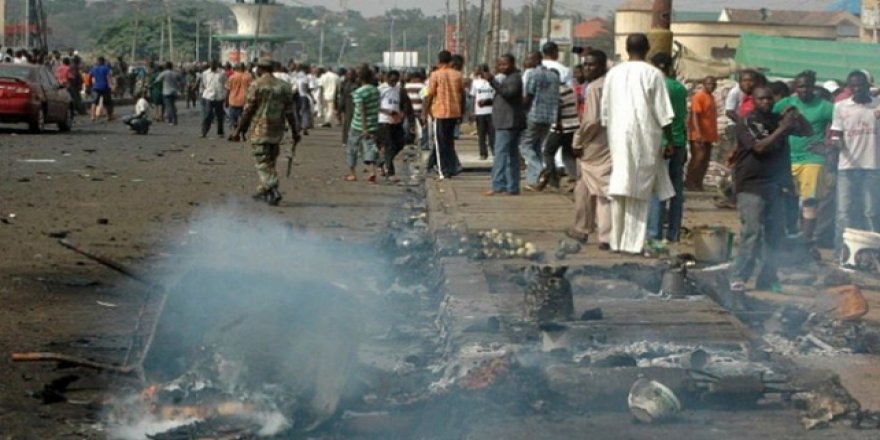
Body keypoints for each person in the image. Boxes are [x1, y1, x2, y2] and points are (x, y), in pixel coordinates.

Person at [730, 85, 811, 293]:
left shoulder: (776, 119)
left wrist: (796, 116)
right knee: (753, 232)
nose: (766, 102)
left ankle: (768, 277)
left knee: (775, 235)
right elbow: (760, 147)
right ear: (753, 100)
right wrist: (783, 128)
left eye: (769, 99)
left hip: (776, 184)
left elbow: (807, 132)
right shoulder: (747, 121)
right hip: (751, 183)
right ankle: (739, 276)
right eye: (761, 99)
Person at [600, 33, 675, 254]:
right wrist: (668, 139)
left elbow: (605, 111)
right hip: (645, 137)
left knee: (622, 186)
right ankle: (634, 243)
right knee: (640, 190)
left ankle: (617, 241)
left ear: (625, 48)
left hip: (618, 137)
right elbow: (664, 113)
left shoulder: (613, 73)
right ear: (648, 48)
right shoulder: (654, 74)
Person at [771, 70, 834, 247]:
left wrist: (828, 146)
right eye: (800, 86)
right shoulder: (786, 103)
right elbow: (769, 119)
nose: (804, 90)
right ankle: (788, 236)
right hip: (787, 158)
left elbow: (842, 125)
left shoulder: (825, 106)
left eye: (807, 86)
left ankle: (806, 242)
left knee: (809, 201)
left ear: (814, 86)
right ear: (795, 87)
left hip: (812, 159)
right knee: (787, 199)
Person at [233, 58, 300, 206]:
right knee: (270, 160)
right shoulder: (284, 86)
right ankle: (263, 191)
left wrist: (238, 130)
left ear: (260, 69)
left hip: (260, 129)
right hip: (277, 130)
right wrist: (295, 131)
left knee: (262, 161)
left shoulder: (256, 85)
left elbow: (248, 110)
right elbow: (290, 112)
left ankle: (273, 187)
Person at [831, 70, 880, 259]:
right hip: (847, 166)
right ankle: (840, 253)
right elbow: (837, 133)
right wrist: (835, 143)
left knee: (871, 212)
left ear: (869, 86)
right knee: (843, 213)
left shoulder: (877, 106)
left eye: (861, 85)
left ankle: (874, 255)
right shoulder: (841, 107)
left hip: (873, 166)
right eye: (853, 86)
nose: (857, 89)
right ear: (849, 87)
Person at [569, 49, 612, 249]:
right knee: (586, 186)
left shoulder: (595, 87)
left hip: (596, 141)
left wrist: (578, 141)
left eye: (592, 65)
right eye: (585, 64)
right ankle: (584, 228)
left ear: (602, 66)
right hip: (609, 139)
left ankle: (603, 234)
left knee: (599, 188)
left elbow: (592, 120)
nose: (587, 68)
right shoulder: (610, 83)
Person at [647, 52, 688, 243]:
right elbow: (680, 117)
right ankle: (674, 232)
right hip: (679, 142)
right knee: (676, 191)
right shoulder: (679, 88)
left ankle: (654, 234)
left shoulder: (655, 86)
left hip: (661, 143)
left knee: (658, 191)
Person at [484, 53, 525, 196]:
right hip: (507, 121)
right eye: (499, 64)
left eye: (505, 64)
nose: (502, 67)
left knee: (500, 154)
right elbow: (505, 96)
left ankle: (498, 185)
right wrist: (488, 102)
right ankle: (512, 186)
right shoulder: (508, 78)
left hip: (508, 122)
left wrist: (492, 82)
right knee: (511, 155)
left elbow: (508, 94)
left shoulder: (514, 78)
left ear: (512, 64)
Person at [520, 50, 560, 190]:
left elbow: (528, 96)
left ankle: (540, 168)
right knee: (537, 147)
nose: (526, 62)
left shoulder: (532, 74)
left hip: (534, 115)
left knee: (524, 145)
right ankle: (534, 181)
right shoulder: (554, 76)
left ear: (536, 60)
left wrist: (521, 110)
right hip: (549, 116)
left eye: (529, 59)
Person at [423, 50, 465, 178]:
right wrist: (461, 112)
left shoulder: (435, 75)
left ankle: (443, 170)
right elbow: (462, 95)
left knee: (440, 142)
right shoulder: (458, 75)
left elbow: (430, 94)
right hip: (454, 111)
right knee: (449, 141)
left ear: (439, 60)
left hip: (439, 112)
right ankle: (451, 168)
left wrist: (425, 111)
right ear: (450, 60)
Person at [537, 65, 579, 191]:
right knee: (568, 154)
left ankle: (552, 179)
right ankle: (575, 179)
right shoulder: (568, 89)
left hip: (561, 127)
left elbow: (558, 108)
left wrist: (557, 123)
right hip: (573, 125)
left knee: (548, 152)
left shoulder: (556, 91)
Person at [344, 66, 381, 183]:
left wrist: (364, 127)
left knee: (352, 149)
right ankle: (372, 172)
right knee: (370, 148)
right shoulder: (376, 91)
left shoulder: (358, 92)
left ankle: (352, 173)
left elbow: (361, 110)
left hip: (358, 125)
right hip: (373, 124)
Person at [378, 70, 412, 181]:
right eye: (392, 80)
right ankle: (390, 172)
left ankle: (382, 161)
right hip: (384, 120)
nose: (393, 83)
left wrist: (403, 114)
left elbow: (405, 103)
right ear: (387, 78)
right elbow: (376, 106)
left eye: (396, 81)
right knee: (389, 145)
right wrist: (388, 112)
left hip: (397, 121)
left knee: (400, 143)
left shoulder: (399, 89)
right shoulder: (381, 89)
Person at [686, 76, 719, 191]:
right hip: (698, 135)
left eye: (713, 84)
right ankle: (690, 182)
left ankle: (698, 183)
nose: (711, 86)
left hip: (709, 135)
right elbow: (695, 115)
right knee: (697, 158)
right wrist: (698, 133)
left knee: (705, 160)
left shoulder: (711, 97)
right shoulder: (699, 96)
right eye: (709, 84)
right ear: (704, 84)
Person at [470, 64, 496, 160]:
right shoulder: (476, 82)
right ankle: (483, 153)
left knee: (492, 133)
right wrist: (472, 111)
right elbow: (473, 97)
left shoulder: (492, 82)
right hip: (479, 111)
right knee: (481, 134)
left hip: (491, 111)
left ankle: (494, 151)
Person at [201, 60, 227, 138]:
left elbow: (224, 82)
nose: (212, 66)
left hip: (219, 96)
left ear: (216, 65)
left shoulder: (222, 73)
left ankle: (220, 132)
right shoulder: (205, 73)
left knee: (219, 116)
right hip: (209, 96)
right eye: (211, 65)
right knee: (207, 115)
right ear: (209, 65)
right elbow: (205, 83)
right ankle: (204, 132)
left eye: (214, 65)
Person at [226, 63, 253, 135]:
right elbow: (252, 89)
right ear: (244, 68)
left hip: (233, 100)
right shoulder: (249, 77)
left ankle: (235, 128)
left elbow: (228, 89)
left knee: (233, 118)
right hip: (245, 100)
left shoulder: (232, 77)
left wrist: (226, 100)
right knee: (244, 118)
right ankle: (242, 132)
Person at [89, 56, 114, 121]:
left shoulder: (94, 69)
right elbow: (109, 78)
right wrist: (111, 86)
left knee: (94, 102)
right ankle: (109, 116)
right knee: (108, 102)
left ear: (98, 61)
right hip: (105, 87)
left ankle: (93, 116)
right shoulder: (106, 68)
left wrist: (90, 85)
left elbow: (89, 77)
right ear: (103, 61)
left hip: (96, 87)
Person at [338, 68, 358, 147]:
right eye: (349, 74)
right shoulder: (344, 84)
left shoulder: (357, 84)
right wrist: (339, 108)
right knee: (347, 124)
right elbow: (342, 97)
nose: (350, 76)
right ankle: (345, 141)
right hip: (347, 106)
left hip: (356, 105)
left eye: (352, 74)